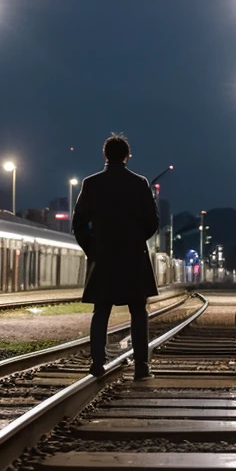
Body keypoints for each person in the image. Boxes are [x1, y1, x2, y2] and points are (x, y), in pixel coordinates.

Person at [72, 134, 159, 380]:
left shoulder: (91, 183)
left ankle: (97, 363)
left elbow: (78, 223)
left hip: (104, 257)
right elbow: (152, 222)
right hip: (133, 256)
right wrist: (136, 240)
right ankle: (142, 366)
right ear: (127, 156)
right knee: (138, 311)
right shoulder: (139, 183)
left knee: (101, 310)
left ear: (105, 156)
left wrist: (93, 248)